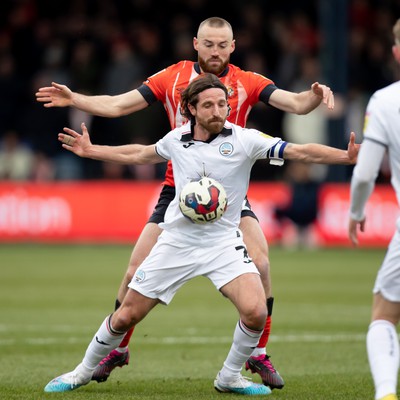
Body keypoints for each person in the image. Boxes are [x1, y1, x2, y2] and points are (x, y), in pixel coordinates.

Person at [36, 17, 335, 389]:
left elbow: (294, 102)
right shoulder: (172, 77)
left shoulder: (249, 81)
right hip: (177, 191)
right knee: (132, 274)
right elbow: (117, 105)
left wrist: (315, 95)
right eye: (208, 44)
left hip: (227, 193)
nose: (214, 51)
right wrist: (75, 98)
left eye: (221, 45)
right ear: (196, 44)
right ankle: (118, 348)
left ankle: (256, 353)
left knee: (260, 262)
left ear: (232, 47)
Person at [348, 18, 400, 400]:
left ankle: (385, 393)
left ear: (396, 53)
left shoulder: (385, 101)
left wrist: (355, 211)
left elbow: (366, 172)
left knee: (384, 313)